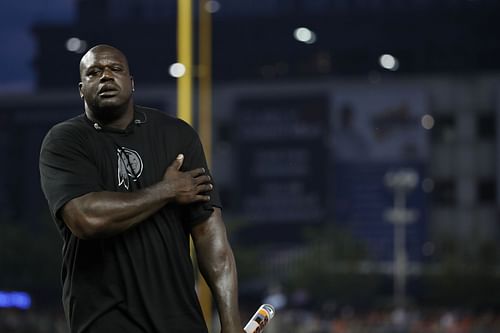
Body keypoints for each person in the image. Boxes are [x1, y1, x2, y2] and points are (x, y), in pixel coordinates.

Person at [39, 44, 244, 333]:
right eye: (94, 72)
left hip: (178, 318)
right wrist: (166, 190)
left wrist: (231, 324)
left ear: (131, 83)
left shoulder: (177, 135)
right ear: (81, 88)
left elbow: (210, 235)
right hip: (103, 318)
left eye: (115, 69)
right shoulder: (65, 141)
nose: (106, 76)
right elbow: (86, 219)